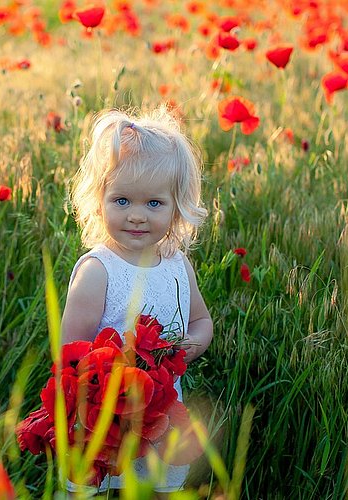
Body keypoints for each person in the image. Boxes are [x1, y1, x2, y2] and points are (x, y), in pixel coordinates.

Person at [60, 106, 214, 495]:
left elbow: (201, 323)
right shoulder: (99, 271)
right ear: (100, 200)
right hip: (105, 413)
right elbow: (69, 352)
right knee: (104, 478)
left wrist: (173, 356)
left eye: (154, 204)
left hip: (160, 408)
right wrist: (111, 374)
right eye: (123, 201)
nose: (137, 217)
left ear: (177, 206)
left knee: (156, 483)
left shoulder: (178, 265)